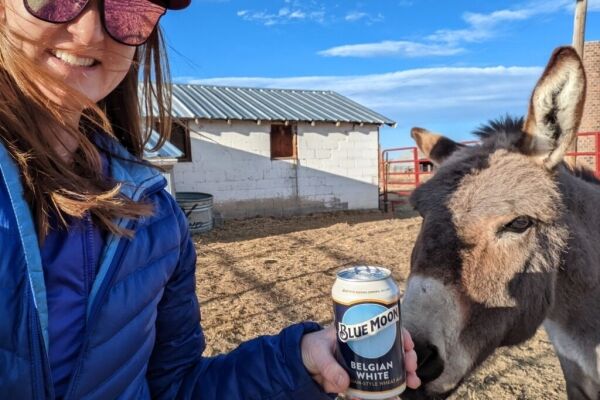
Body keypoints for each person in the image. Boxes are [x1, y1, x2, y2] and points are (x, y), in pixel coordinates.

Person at [0, 0, 421, 398]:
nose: (90, 31)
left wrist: (299, 362)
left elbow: (176, 387)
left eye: (130, 7)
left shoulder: (158, 222)